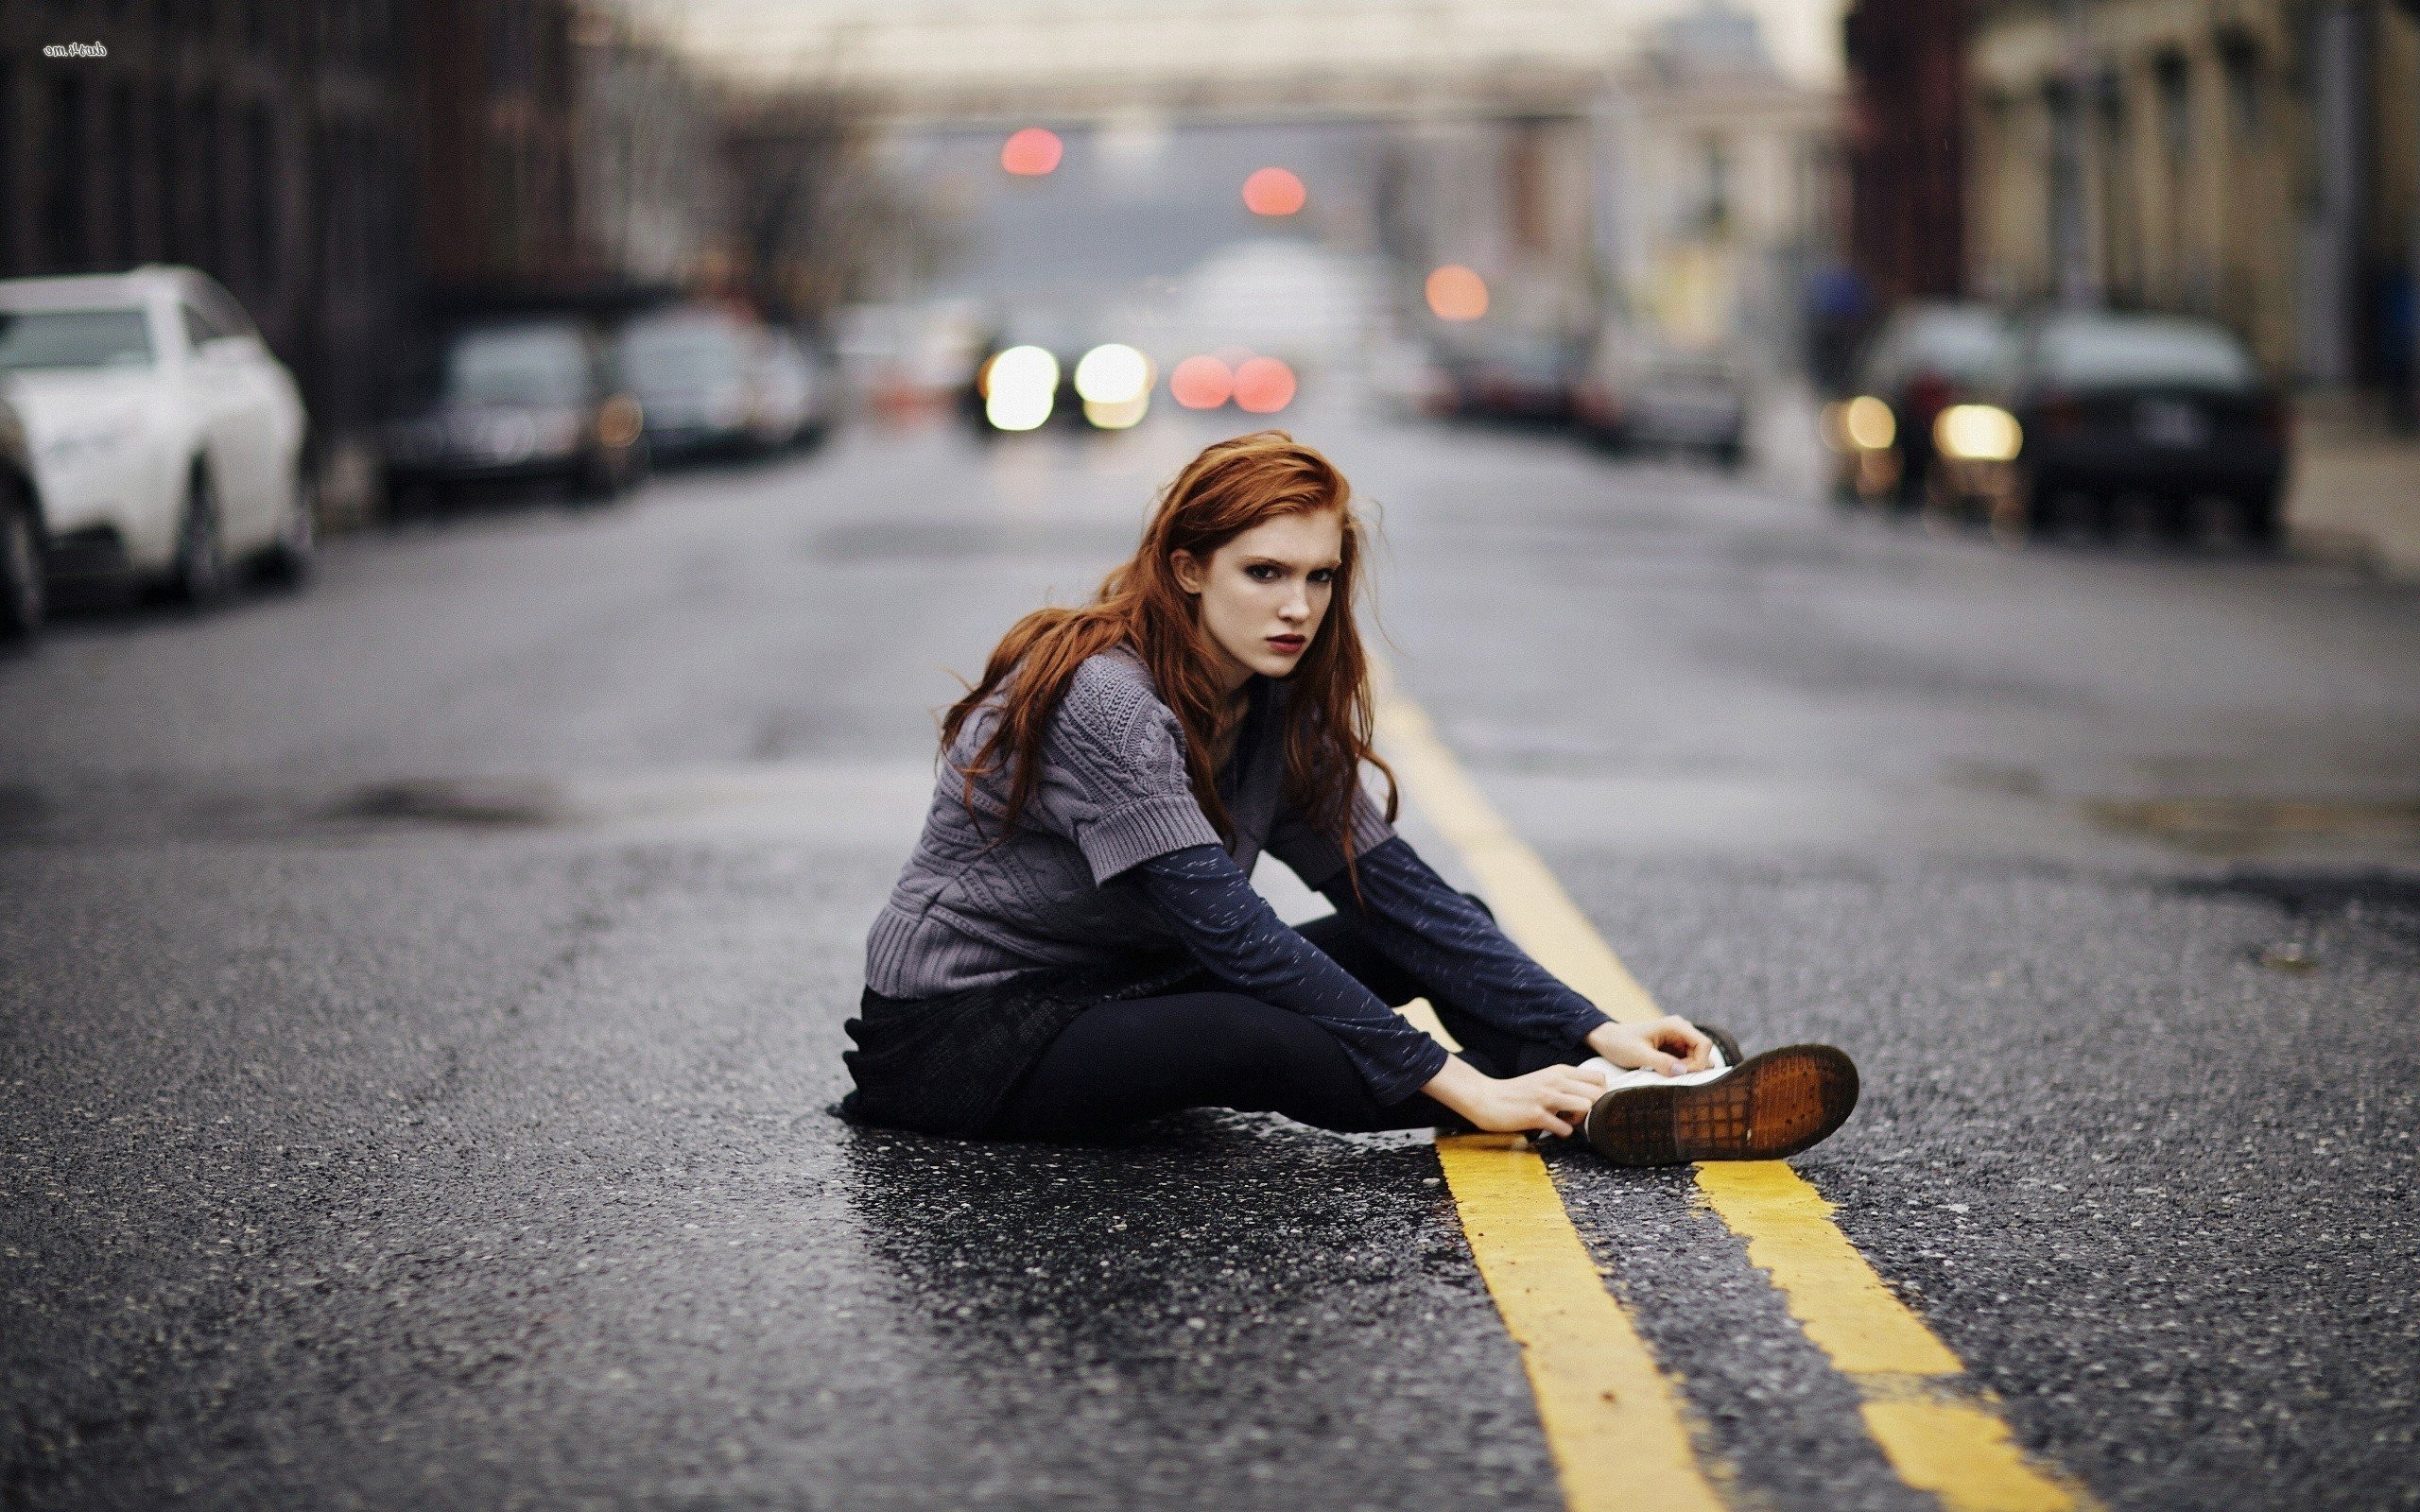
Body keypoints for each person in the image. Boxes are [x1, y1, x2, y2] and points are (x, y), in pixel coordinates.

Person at [842, 431, 1858, 1164]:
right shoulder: (1108, 699)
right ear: (1187, 568)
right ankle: (1552, 1108)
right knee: (1247, 1036)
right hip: (964, 1033)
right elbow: (1234, 935)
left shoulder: (1272, 702)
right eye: (1264, 571)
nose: (1296, 607)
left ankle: (1613, 1092)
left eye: (1320, 577)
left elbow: (1399, 898)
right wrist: (1457, 1083)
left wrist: (1592, 1025)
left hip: (1128, 990)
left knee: (1440, 922)